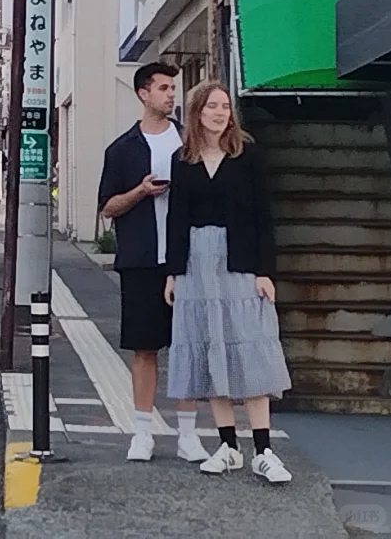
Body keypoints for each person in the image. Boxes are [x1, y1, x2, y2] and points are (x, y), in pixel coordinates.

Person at [165, 80, 292, 484]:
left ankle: (264, 450)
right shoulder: (182, 159)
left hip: (239, 259)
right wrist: (172, 271)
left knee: (251, 349)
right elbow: (176, 218)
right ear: (197, 112)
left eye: (224, 107)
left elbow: (262, 215)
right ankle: (227, 446)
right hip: (196, 262)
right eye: (212, 107)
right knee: (208, 347)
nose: (220, 113)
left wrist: (264, 271)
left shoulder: (248, 155)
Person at [97, 61, 205, 463]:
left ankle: (188, 435)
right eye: (163, 88)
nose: (170, 95)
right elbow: (108, 208)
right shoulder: (122, 149)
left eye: (172, 89)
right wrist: (141, 191)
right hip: (142, 260)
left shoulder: (189, 142)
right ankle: (142, 432)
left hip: (186, 259)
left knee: (187, 347)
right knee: (145, 349)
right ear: (143, 93)